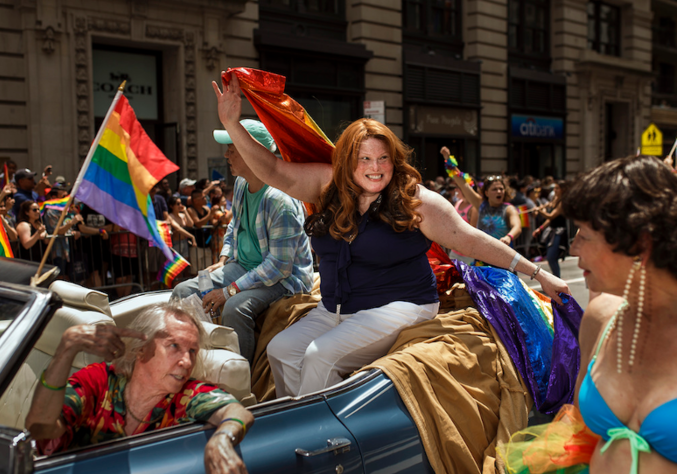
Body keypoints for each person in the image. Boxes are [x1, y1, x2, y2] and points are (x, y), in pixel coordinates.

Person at [213, 72, 568, 397]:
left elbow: (470, 239)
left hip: (401, 306)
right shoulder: (326, 183)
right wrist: (232, 122)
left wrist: (539, 273)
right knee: (280, 350)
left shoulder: (417, 201)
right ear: (347, 161)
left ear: (394, 160)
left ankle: (323, 446)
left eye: (383, 159)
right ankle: (300, 428)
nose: (374, 168)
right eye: (364, 159)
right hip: (335, 307)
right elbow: (274, 169)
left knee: (320, 356)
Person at [482, 155, 677, 474]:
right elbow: (577, 428)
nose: (573, 249)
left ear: (640, 242)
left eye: (584, 235)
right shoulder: (602, 317)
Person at [25, 303, 254, 474]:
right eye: (174, 346)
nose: (186, 361)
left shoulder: (187, 394)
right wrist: (65, 350)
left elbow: (237, 412)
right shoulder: (98, 381)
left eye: (192, 351)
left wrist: (224, 438)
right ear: (141, 349)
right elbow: (40, 429)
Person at [171, 119, 314, 364]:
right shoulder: (240, 184)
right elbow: (235, 225)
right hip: (244, 266)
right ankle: (194, 363)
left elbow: (279, 267)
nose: (226, 153)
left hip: (286, 279)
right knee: (182, 291)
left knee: (235, 308)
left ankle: (239, 379)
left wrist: (229, 290)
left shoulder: (280, 201)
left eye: (232, 147)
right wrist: (224, 259)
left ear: (253, 151)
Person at [443, 148, 522, 250]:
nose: (499, 192)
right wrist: (447, 158)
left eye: (501, 189)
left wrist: (509, 237)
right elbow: (462, 184)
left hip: (503, 256)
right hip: (482, 257)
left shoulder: (509, 209)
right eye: (494, 189)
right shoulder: (480, 204)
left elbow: (517, 227)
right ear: (486, 193)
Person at [532, 181, 568, 277]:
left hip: (559, 232)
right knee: (550, 257)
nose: (554, 190)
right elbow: (549, 221)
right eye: (554, 188)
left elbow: (551, 216)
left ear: (563, 189)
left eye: (557, 188)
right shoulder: (554, 199)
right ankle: (556, 279)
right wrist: (540, 228)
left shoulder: (562, 202)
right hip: (551, 231)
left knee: (552, 257)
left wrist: (540, 210)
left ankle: (557, 280)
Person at [448, 185, 478, 265]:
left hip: (468, 253)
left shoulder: (473, 207)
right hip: (454, 251)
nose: (455, 189)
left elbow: (472, 232)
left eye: (458, 187)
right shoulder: (458, 203)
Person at [167, 195, 197, 261]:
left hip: (184, 242)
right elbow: (178, 228)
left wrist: (185, 211)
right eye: (178, 204)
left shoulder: (182, 215)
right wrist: (192, 236)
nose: (180, 205)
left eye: (181, 203)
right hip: (176, 243)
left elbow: (191, 224)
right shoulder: (169, 217)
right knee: (176, 265)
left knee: (185, 265)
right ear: (171, 206)